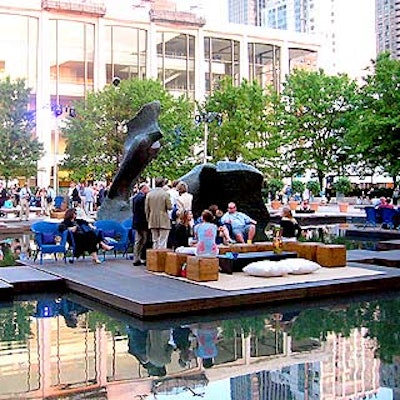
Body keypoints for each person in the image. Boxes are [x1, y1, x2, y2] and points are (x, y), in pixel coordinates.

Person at [145, 177, 172, 249]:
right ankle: (161, 258)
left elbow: (146, 209)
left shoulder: (149, 194)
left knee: (155, 241)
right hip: (164, 219)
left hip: (152, 219)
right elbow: (169, 207)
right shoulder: (165, 194)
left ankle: (154, 258)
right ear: (163, 184)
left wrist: (148, 219)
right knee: (163, 241)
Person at [132, 182, 150, 266]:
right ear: (144, 189)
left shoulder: (135, 197)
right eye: (148, 188)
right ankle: (141, 257)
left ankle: (136, 258)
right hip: (143, 223)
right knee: (144, 240)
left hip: (136, 222)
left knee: (138, 240)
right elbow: (145, 210)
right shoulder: (143, 197)